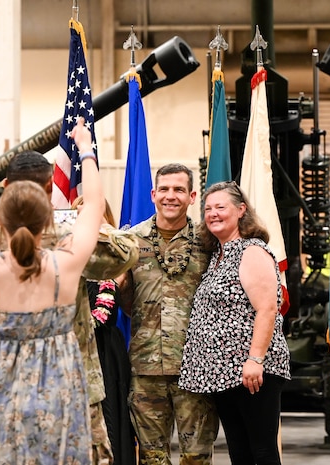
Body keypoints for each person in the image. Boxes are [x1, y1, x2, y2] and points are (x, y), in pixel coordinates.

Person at [0, 146, 139, 465]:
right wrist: (87, 153)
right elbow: (95, 206)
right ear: (49, 210)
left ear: (1, 218)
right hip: (60, 390)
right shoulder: (63, 264)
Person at [178, 181, 291, 465]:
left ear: (241, 210)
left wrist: (255, 359)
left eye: (220, 207)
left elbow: (267, 309)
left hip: (251, 372)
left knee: (262, 451)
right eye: (207, 209)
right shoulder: (218, 254)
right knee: (240, 453)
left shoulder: (251, 251)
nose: (213, 214)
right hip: (223, 374)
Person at [121, 163, 219, 465]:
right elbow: (125, 298)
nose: (170, 196)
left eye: (178, 189)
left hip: (195, 369)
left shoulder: (209, 242)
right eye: (164, 189)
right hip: (146, 369)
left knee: (197, 458)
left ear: (191, 196)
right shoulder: (131, 241)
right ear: (153, 194)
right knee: (152, 459)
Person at [73, 195, 137, 465]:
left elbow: (120, 309)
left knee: (110, 421)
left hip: (104, 349)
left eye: (91, 215)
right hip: (73, 350)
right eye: (79, 215)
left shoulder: (115, 260)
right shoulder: (66, 257)